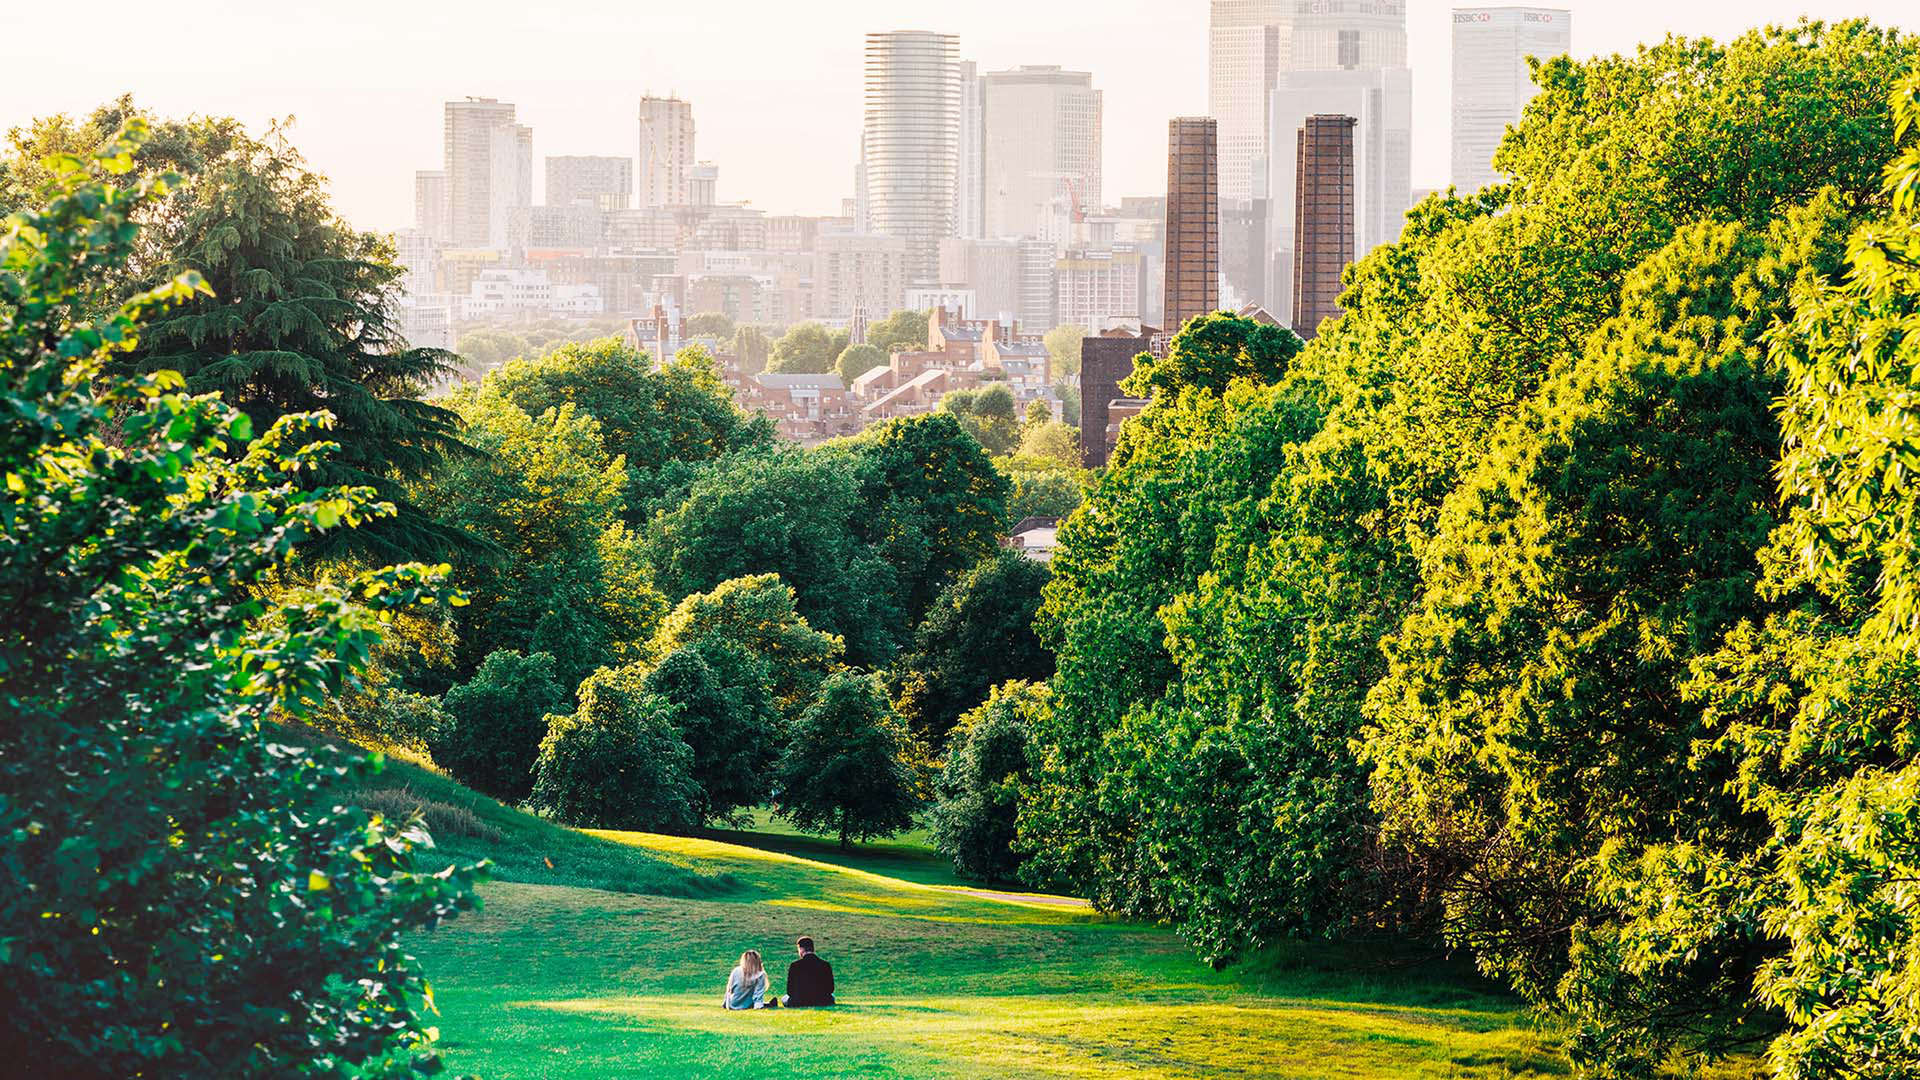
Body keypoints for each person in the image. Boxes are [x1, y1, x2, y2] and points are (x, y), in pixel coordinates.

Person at [781, 936, 835, 1007]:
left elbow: (790, 991)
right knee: (833, 996)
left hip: (799, 1001)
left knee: (784, 998)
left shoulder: (795, 966)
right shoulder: (825, 965)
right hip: (822, 1000)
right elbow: (830, 989)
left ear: (801, 949)